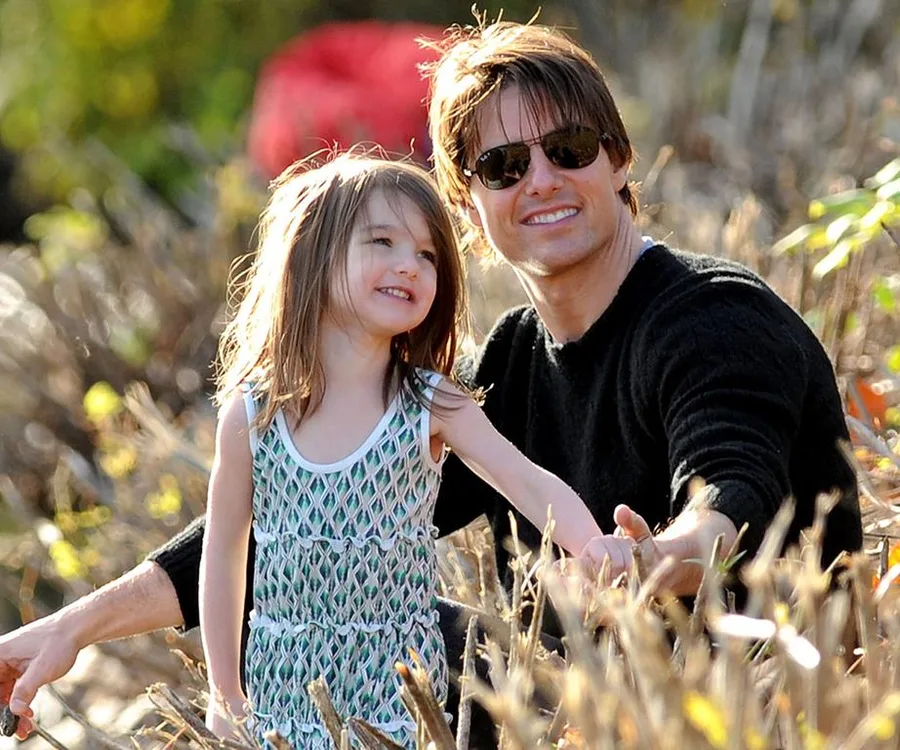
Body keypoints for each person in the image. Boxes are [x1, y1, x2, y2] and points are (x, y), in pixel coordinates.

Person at [0, 20, 862, 748]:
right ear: (465, 202)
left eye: (566, 149)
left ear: (619, 159)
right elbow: (292, 530)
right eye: (502, 166)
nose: (542, 181)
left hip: (740, 707)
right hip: (564, 701)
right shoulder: (518, 358)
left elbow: (733, 488)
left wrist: (651, 558)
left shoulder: (713, 319)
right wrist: (76, 625)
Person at [197, 151, 607, 748]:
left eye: (427, 255)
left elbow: (527, 483)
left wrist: (600, 551)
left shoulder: (428, 403)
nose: (409, 266)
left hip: (399, 703)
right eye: (382, 242)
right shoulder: (253, 412)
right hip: (282, 700)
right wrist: (223, 692)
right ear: (313, 252)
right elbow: (224, 551)